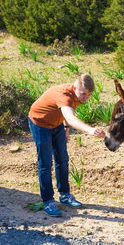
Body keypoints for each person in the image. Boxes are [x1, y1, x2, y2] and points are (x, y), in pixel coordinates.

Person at [28, 73, 105, 217]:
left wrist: (65, 129)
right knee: (45, 163)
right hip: (40, 123)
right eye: (83, 94)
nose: (85, 98)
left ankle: (64, 195)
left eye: (89, 95)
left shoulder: (76, 96)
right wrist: (90, 130)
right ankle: (48, 201)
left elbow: (66, 115)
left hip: (57, 124)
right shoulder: (65, 96)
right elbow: (70, 117)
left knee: (62, 159)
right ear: (75, 87)